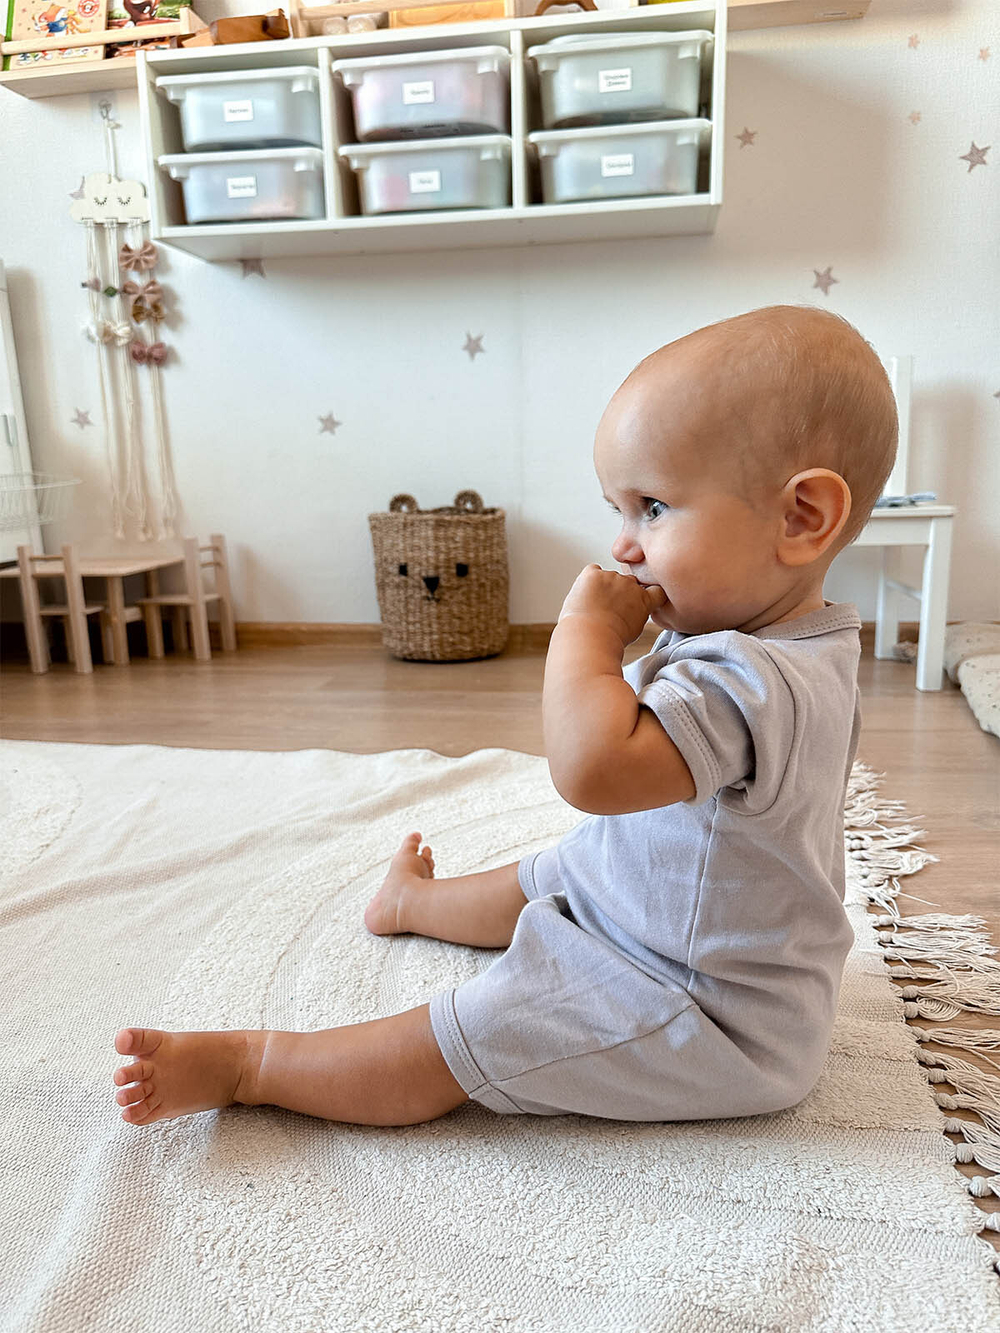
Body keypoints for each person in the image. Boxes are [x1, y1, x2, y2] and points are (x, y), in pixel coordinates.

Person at [112, 304, 897, 1128]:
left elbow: (592, 769)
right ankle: (412, 906)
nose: (626, 544)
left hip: (708, 1013)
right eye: (620, 509)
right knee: (563, 869)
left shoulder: (751, 680)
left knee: (486, 1026)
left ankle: (255, 1064)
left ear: (801, 517)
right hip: (676, 918)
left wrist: (586, 633)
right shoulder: (804, 641)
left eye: (654, 507)